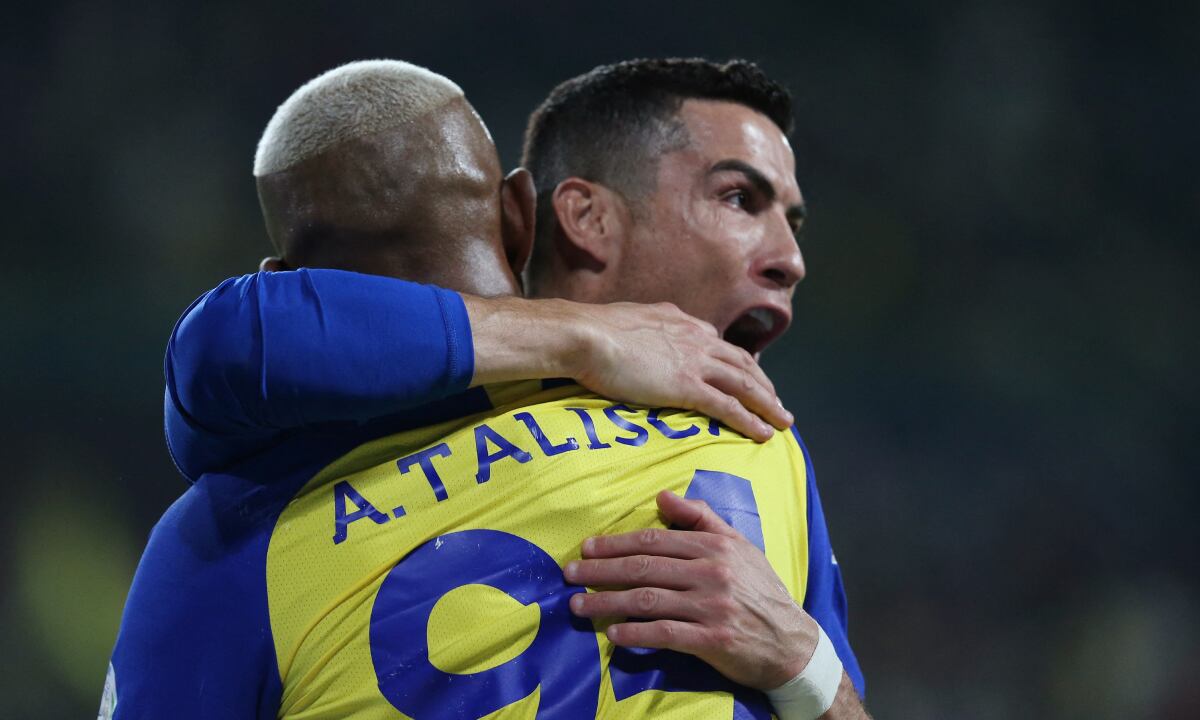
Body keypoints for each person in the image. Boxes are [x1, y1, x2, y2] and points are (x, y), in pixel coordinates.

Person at [107, 60, 866, 719]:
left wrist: (805, 662)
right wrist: (810, 673)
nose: (791, 259)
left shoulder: (229, 535)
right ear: (528, 215)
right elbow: (228, 345)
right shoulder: (753, 439)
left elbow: (222, 349)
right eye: (739, 198)